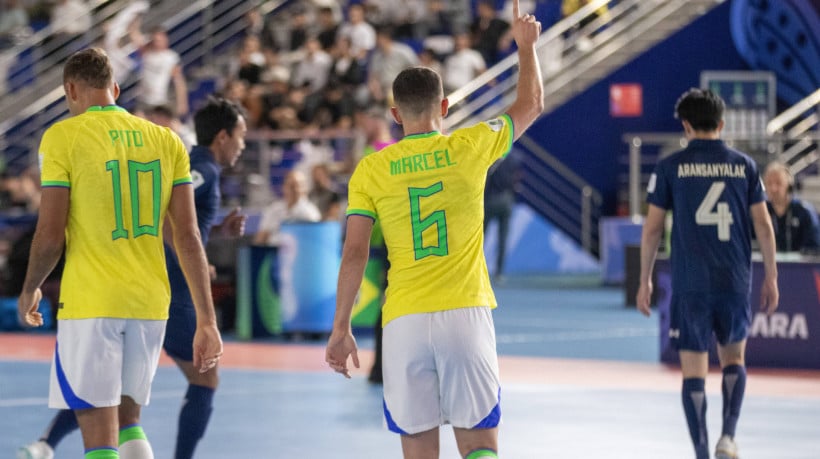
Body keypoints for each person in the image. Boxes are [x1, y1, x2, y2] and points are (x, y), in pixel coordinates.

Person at [325, 1, 543, 457]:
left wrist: (341, 326)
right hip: (465, 313)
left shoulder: (372, 169)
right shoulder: (472, 146)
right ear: (444, 106)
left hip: (403, 319)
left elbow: (355, 254)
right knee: (480, 444)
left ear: (395, 114)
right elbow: (530, 105)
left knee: (419, 449)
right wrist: (525, 49)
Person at [16, 48, 222, 459]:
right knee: (130, 422)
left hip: (92, 302)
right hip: (149, 303)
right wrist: (207, 319)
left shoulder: (63, 136)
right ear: (115, 88)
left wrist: (30, 287)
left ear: (70, 90)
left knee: (99, 436)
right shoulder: (167, 141)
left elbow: (50, 233)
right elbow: (187, 237)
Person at [636, 88, 779, 459]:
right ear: (722, 123)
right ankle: (728, 437)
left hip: (690, 283)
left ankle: (701, 452)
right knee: (734, 359)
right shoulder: (745, 166)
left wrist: (644, 279)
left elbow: (651, 229)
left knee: (693, 370)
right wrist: (772, 276)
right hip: (733, 280)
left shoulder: (669, 167)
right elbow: (763, 225)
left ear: (685, 125)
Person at [762, 161, 820, 253]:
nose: (773, 188)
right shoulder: (760, 211)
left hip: (798, 267)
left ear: (789, 185)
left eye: (778, 183)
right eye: (769, 183)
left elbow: (814, 250)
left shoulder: (804, 212)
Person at [253, 170, 321, 246]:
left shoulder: (311, 212)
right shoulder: (273, 209)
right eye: (290, 185)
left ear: (305, 188)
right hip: (272, 252)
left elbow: (313, 241)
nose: (294, 189)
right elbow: (261, 237)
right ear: (284, 187)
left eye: (297, 185)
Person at [484, 150, 520, 281]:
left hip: (490, 201)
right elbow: (517, 180)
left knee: (480, 239)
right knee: (503, 240)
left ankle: (479, 272)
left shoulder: (490, 155)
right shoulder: (515, 158)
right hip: (507, 201)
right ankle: (499, 273)